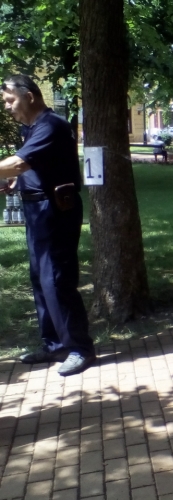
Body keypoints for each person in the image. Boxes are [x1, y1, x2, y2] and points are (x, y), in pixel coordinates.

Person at [0, 74, 95, 376]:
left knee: (57, 279)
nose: (6, 107)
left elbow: (19, 162)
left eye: (10, 100)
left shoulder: (51, 125)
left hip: (55, 210)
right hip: (36, 210)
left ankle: (80, 349)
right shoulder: (31, 128)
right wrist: (17, 182)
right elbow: (37, 167)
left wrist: (16, 173)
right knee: (41, 280)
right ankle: (55, 345)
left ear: (29, 96)